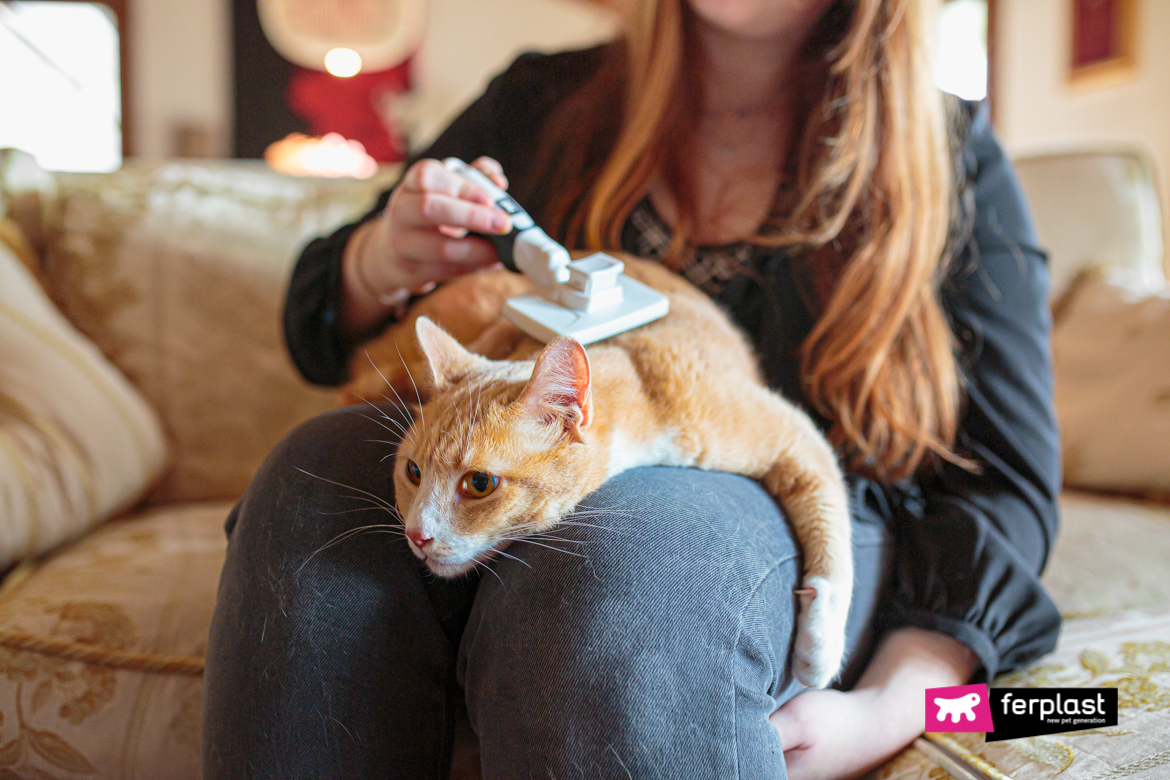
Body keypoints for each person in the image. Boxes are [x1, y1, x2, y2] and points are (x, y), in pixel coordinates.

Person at [202, 0, 1062, 777]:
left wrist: (893, 710)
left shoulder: (949, 156)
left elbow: (1007, 491)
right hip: (520, 468)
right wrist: (378, 260)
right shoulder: (544, 101)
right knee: (312, 475)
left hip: (800, 519)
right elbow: (314, 324)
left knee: (626, 562)